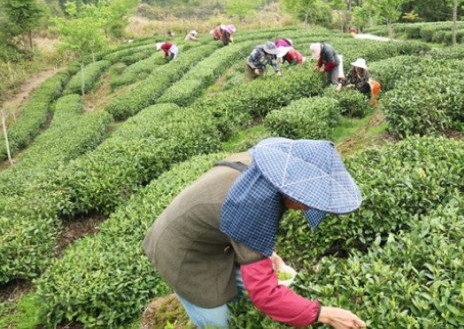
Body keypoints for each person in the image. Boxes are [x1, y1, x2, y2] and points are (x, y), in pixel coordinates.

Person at [143, 138, 367, 329]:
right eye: (306, 199)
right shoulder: (252, 205)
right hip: (179, 251)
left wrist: (268, 252)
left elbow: (243, 226)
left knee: (241, 293)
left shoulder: (270, 165)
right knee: (218, 321)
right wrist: (325, 314)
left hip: (213, 238)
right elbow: (264, 293)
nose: (308, 207)